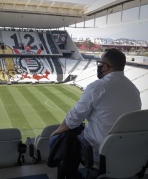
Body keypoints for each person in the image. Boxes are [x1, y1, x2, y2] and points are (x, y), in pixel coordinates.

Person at [50, 48, 141, 178]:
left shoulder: (98, 87)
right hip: (128, 151)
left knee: (65, 138)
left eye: (100, 64)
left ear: (106, 67)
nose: (99, 67)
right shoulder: (134, 89)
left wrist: (58, 131)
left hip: (100, 152)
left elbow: (73, 119)